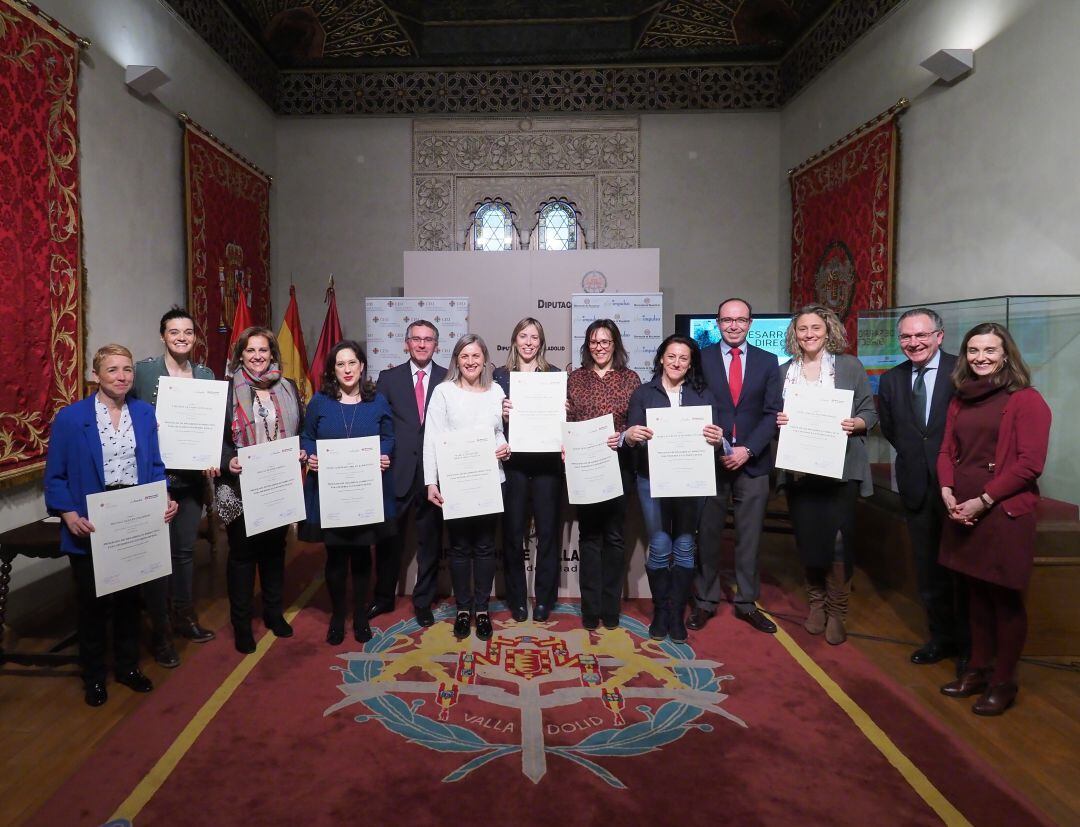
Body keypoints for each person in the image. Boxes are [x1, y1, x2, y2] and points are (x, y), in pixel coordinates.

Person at [44, 344, 178, 706]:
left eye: (127, 370)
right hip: (91, 523)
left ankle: (127, 667)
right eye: (113, 370)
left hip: (133, 518)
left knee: (128, 602)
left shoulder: (144, 413)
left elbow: (154, 466)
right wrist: (68, 513)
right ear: (95, 375)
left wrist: (163, 498)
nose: (122, 377)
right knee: (92, 605)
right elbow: (55, 476)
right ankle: (94, 676)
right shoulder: (72, 419)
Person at [937, 323, 1050, 716]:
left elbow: (1029, 465)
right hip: (961, 508)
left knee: (1004, 600)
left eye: (989, 350)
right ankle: (978, 672)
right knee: (975, 597)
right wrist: (948, 491)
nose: (980, 358)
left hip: (1002, 513)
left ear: (1006, 354)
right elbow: (946, 451)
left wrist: (983, 500)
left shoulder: (1027, 400)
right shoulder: (961, 398)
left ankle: (1004, 682)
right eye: (973, 350)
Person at [777, 304, 877, 645]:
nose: (809, 334)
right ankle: (816, 604)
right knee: (808, 539)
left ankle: (838, 611)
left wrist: (856, 423)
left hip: (841, 469)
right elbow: (773, 414)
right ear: (795, 333)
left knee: (837, 541)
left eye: (815, 328)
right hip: (800, 471)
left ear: (828, 329)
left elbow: (869, 411)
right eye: (803, 328)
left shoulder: (849, 366)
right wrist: (779, 422)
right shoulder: (783, 371)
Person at [877, 308, 968, 672]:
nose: (913, 343)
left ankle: (971, 648)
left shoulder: (962, 371)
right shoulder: (891, 380)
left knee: (962, 569)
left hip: (960, 488)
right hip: (915, 485)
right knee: (928, 569)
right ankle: (941, 638)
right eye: (906, 337)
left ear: (939, 336)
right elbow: (891, 429)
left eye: (921, 335)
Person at [688, 298, 783, 635]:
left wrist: (748, 449)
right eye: (727, 320)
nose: (733, 326)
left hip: (753, 463)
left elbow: (772, 412)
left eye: (740, 320)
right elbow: (693, 402)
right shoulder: (700, 359)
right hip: (710, 460)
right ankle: (705, 600)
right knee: (708, 535)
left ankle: (746, 602)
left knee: (749, 537)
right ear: (717, 323)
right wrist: (719, 443)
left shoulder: (769, 362)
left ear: (750, 323)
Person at [132, 307, 219, 670]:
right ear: (163, 335)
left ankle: (184, 615)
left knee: (184, 553)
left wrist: (212, 454)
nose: (182, 337)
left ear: (195, 337)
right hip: (155, 479)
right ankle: (160, 629)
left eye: (188, 331)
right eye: (174, 331)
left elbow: (211, 425)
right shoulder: (144, 371)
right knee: (155, 557)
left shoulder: (205, 374)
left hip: (192, 481)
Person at [625, 335, 723, 642]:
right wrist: (631, 434)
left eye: (683, 357)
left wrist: (717, 438)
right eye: (671, 356)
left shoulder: (703, 394)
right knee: (660, 544)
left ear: (691, 362)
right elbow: (630, 436)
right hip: (651, 479)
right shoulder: (643, 393)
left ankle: (677, 614)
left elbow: (717, 440)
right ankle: (661, 611)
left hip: (691, 480)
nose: (677, 362)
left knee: (683, 545)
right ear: (661, 359)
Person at [215, 326, 306, 654]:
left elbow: (302, 428)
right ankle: (241, 624)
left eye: (263, 351)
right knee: (242, 556)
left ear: (272, 354)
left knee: (274, 551)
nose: (257, 356)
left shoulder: (288, 388)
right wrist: (229, 462)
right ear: (241, 355)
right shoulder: (226, 392)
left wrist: (301, 451)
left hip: (278, 484)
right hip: (240, 486)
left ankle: (272, 612)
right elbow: (214, 440)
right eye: (251, 351)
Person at [301, 341, 395, 645]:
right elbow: (306, 436)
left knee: (363, 557)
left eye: (352, 363)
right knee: (337, 559)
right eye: (340, 364)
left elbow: (389, 435)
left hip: (366, 493)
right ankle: (338, 616)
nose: (347, 369)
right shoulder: (319, 402)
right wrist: (310, 454)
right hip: (332, 494)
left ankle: (361, 616)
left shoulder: (377, 401)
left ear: (362, 365)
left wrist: (384, 454)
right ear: (332, 370)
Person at [424, 334, 509, 641]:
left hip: (490, 481)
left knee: (486, 548)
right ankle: (463, 610)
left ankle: (482, 610)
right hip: (455, 483)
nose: (471, 362)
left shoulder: (496, 391)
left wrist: (504, 447)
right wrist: (430, 481)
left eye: (476, 356)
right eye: (464, 356)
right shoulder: (443, 392)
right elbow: (431, 437)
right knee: (459, 549)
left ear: (485, 360)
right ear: (456, 361)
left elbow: (498, 433)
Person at [566, 319, 641, 630]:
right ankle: (590, 609)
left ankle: (610, 608)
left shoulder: (630, 379)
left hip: (618, 467)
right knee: (589, 538)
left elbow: (636, 423)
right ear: (587, 346)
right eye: (594, 342)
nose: (599, 347)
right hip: (584, 468)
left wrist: (623, 435)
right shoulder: (575, 378)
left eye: (605, 342)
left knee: (614, 537)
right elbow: (568, 419)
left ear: (615, 345)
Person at [372, 320, 447, 627]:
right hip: (396, 471)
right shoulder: (388, 379)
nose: (421, 344)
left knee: (430, 542)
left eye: (428, 339)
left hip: (434, 474)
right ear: (406, 343)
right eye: (416, 339)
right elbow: (377, 422)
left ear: (436, 345)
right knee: (390, 540)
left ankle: (423, 601)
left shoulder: (448, 378)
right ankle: (383, 597)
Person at [494, 317, 564, 622]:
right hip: (514, 466)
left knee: (548, 534)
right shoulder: (499, 376)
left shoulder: (555, 375)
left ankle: (545, 599)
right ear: (514, 339)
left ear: (541, 342)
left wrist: (564, 413)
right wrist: (502, 415)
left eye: (534, 337)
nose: (529, 342)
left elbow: (563, 423)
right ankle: (518, 599)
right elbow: (491, 423)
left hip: (548, 465)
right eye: (523, 335)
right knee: (512, 535)